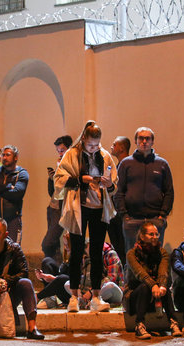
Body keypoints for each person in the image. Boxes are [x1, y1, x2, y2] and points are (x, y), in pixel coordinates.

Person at [53, 120, 117, 313]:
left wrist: (108, 184)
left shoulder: (104, 156)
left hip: (99, 207)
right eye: (90, 145)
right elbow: (60, 178)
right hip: (78, 207)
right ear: (83, 140)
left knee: (97, 253)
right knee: (76, 253)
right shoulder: (72, 154)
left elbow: (114, 184)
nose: (93, 148)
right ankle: (74, 296)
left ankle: (96, 297)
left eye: (97, 145)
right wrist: (83, 179)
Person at [114, 127, 174, 253]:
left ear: (152, 142)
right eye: (141, 138)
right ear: (136, 141)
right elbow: (118, 191)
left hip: (155, 220)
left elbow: (169, 192)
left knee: (155, 257)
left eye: (148, 138)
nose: (144, 141)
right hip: (131, 219)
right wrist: (124, 215)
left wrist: (162, 215)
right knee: (131, 259)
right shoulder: (126, 164)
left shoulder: (162, 164)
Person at [125, 222, 183, 339]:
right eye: (151, 234)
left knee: (165, 289)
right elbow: (140, 274)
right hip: (135, 298)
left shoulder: (162, 253)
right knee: (145, 286)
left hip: (155, 295)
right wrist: (153, 285)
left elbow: (163, 272)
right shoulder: (132, 254)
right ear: (142, 236)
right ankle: (139, 325)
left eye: (156, 234)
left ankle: (173, 323)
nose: (155, 237)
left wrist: (161, 286)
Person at [0, 145, 28, 244]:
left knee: (13, 248)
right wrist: (7, 187)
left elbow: (17, 194)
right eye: (3, 155)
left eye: (8, 155)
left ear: (16, 157)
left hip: (13, 219)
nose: (4, 157)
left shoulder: (22, 173)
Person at [41, 135, 72, 261]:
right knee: (53, 245)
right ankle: (53, 268)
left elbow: (67, 186)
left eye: (62, 150)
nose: (60, 153)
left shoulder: (71, 164)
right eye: (58, 150)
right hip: (53, 206)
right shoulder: (59, 162)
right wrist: (51, 179)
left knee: (47, 243)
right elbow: (52, 192)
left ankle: (54, 265)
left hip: (62, 207)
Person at [108, 136, 130, 264]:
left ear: (122, 148)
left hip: (122, 212)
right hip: (113, 212)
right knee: (117, 246)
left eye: (114, 144)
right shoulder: (116, 166)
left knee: (123, 245)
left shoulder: (128, 164)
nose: (112, 146)